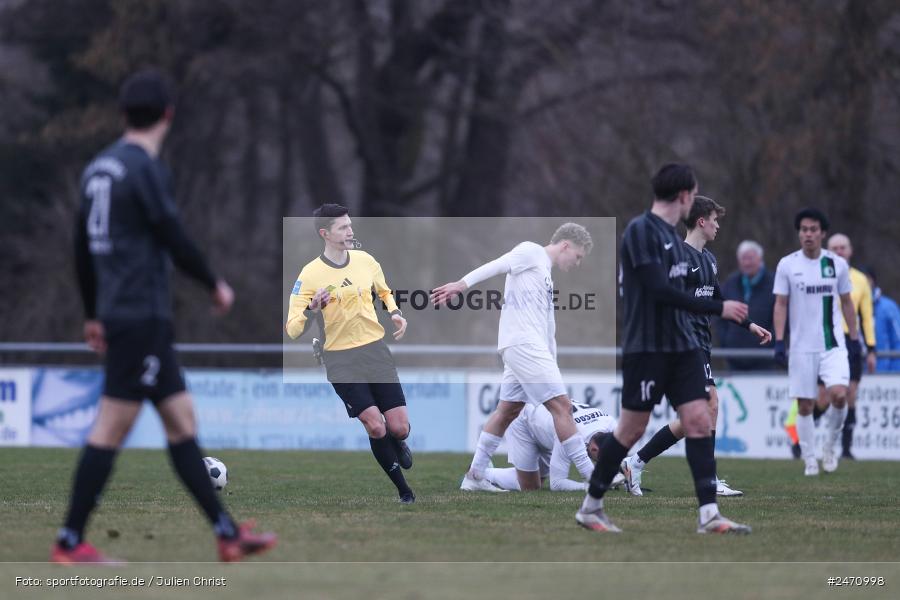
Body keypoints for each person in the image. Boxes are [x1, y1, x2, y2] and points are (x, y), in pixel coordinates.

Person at [53, 70, 276, 565]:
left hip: (122, 311)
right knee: (111, 427)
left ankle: (227, 533)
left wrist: (93, 312)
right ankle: (69, 541)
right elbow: (172, 232)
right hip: (141, 315)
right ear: (169, 115)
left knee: (181, 420)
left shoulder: (97, 169)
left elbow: (80, 248)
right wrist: (213, 282)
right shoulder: (143, 167)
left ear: (122, 114)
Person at [576, 164, 751, 535]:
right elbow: (658, 291)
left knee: (701, 418)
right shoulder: (641, 231)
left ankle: (709, 514)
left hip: (682, 345)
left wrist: (725, 313)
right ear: (685, 196)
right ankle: (591, 507)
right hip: (648, 347)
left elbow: (684, 297)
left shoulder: (673, 237)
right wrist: (719, 308)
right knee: (630, 428)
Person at [620, 196, 771, 497]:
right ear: (702, 221)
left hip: (701, 342)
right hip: (684, 343)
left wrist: (749, 324)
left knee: (697, 416)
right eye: (715, 219)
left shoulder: (710, 261)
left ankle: (635, 461)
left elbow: (717, 303)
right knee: (711, 405)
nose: (717, 225)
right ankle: (707, 480)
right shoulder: (678, 257)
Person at [430, 224, 598, 494]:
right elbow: (499, 264)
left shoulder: (544, 272)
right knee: (563, 408)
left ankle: (475, 475)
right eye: (578, 256)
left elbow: (548, 325)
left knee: (507, 411)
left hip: (525, 348)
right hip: (523, 345)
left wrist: (551, 359)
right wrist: (462, 285)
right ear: (566, 245)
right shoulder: (531, 251)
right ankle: (593, 476)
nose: (577, 263)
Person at [285, 204, 415, 503]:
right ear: (325, 234)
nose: (350, 231)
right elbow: (292, 329)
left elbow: (384, 291)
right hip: (340, 359)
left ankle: (400, 442)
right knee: (375, 425)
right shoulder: (310, 275)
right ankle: (404, 492)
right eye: (343, 227)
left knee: (399, 428)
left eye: (350, 225)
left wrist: (395, 312)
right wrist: (312, 308)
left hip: (375, 352)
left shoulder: (365, 260)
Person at [772, 208, 861, 476]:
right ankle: (810, 458)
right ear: (799, 233)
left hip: (832, 344)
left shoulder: (837, 264)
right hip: (800, 346)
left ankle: (830, 446)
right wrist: (779, 341)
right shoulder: (787, 264)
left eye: (813, 230)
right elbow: (781, 304)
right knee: (805, 405)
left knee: (839, 395)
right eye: (804, 230)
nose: (808, 234)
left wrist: (854, 339)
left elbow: (847, 303)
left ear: (822, 233)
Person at [816, 234, 876, 459]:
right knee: (823, 397)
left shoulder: (860, 280)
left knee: (849, 394)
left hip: (850, 341)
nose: (839, 251)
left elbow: (867, 317)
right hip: (825, 340)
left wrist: (871, 349)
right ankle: (799, 440)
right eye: (834, 248)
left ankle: (846, 449)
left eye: (843, 247)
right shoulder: (817, 275)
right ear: (828, 251)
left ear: (850, 251)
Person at [482, 401, 621, 492]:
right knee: (529, 486)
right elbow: (557, 484)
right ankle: (481, 473)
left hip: (546, 424)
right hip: (524, 421)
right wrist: (588, 487)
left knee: (537, 482)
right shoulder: (570, 436)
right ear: (594, 449)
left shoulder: (611, 424)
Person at [716, 240, 776, 370]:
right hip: (734, 360)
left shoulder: (774, 284)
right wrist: (726, 342)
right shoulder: (730, 283)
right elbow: (720, 313)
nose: (747, 263)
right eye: (743, 259)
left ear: (760, 259)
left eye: (750, 258)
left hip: (765, 360)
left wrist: (770, 343)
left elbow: (781, 317)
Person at [867, 269, 900, 373]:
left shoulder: (888, 307)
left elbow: (898, 340)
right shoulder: (847, 307)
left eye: (866, 279)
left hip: (885, 374)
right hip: (856, 375)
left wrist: (895, 372)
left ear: (872, 280)